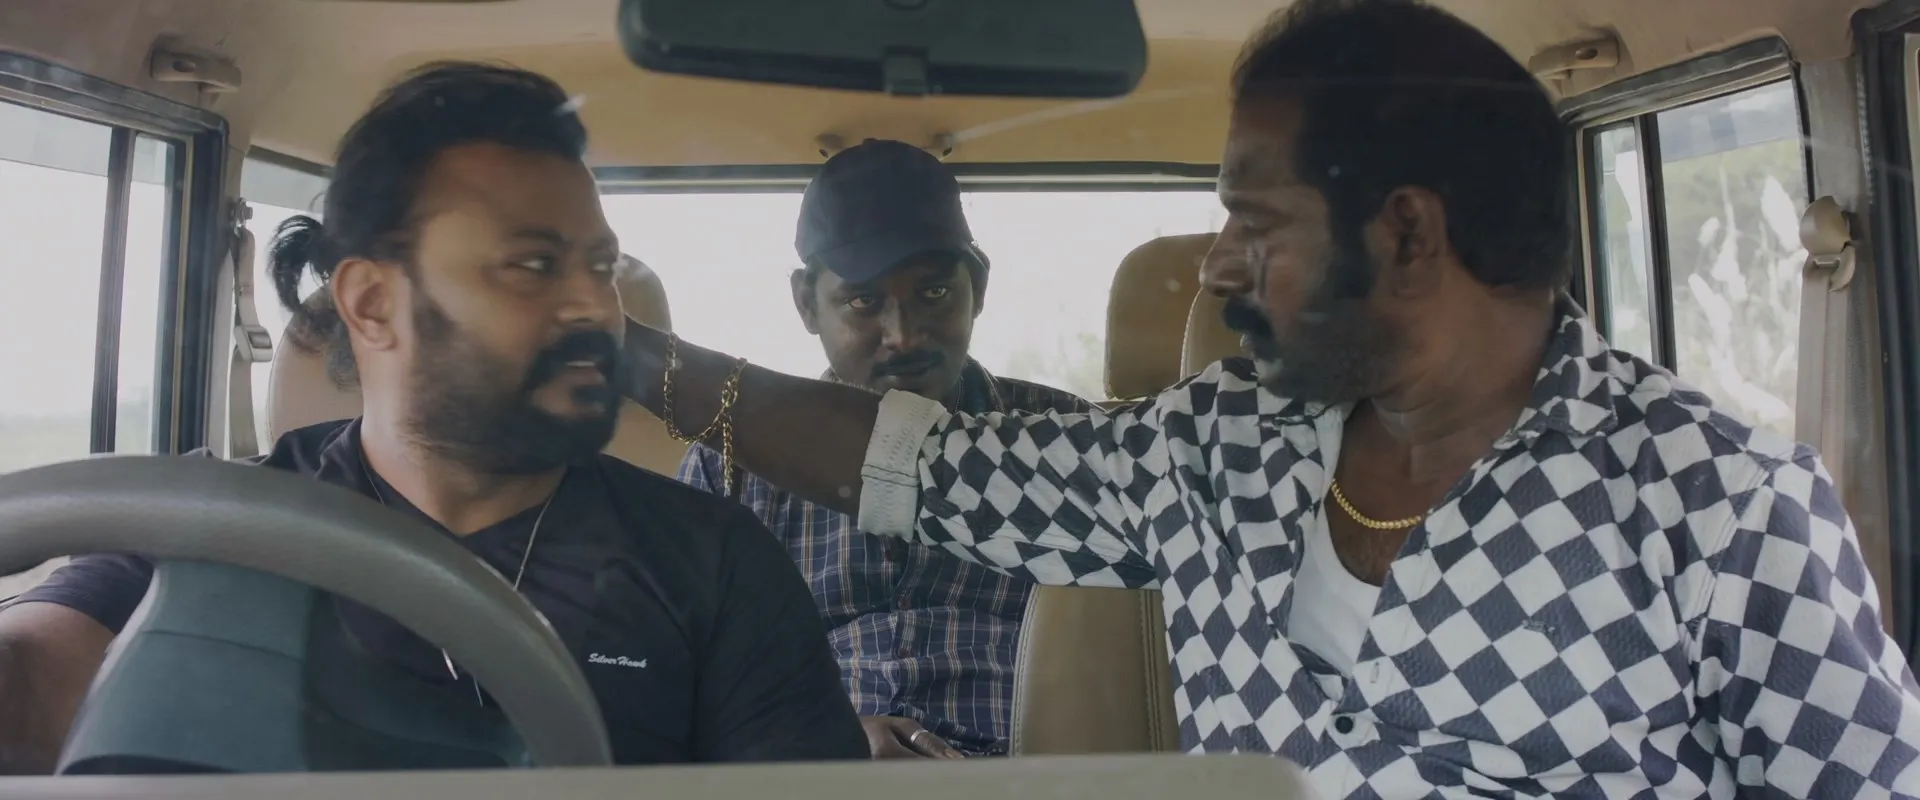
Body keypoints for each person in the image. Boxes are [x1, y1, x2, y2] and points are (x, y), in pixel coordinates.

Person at [610, 0, 1920, 796]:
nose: (1220, 268)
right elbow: (916, 466)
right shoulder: (1213, 444)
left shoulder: (1723, 508)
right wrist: (635, 359)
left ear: (1406, 235)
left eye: (1255, 221)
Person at [0, 61, 868, 774]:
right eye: (533, 265)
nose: (596, 309)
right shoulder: (206, 529)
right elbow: (30, 679)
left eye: (601, 267)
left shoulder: (715, 564)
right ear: (373, 303)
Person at [675, 139, 1093, 759]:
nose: (903, 337)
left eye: (934, 294)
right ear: (806, 303)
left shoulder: (1066, 440)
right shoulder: (730, 463)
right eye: (864, 301)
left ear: (978, 286)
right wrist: (827, 743)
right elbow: (682, 682)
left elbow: (1134, 664)